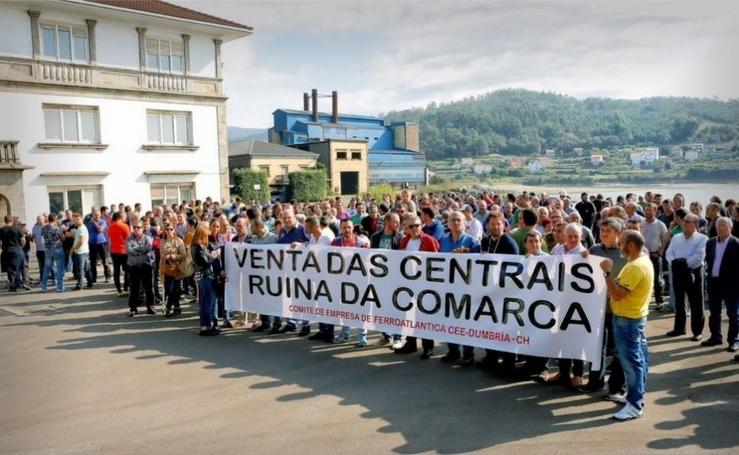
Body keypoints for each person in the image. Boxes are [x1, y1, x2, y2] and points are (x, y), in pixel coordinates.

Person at [599, 230, 653, 420]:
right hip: (634, 318)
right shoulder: (641, 261)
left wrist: (607, 272)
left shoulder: (635, 266)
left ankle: (634, 405)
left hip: (627, 321)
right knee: (639, 360)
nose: (618, 246)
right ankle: (634, 397)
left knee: (632, 364)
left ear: (631, 245)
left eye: (621, 243)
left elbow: (617, 294)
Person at [580, 218, 626, 397]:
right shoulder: (594, 250)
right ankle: (594, 381)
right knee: (595, 346)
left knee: (617, 351)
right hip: (597, 308)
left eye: (608, 230)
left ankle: (616, 388)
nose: (603, 233)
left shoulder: (625, 253)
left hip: (617, 309)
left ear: (618, 233)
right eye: (602, 230)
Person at [478, 212, 519, 374]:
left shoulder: (509, 243)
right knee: (490, 326)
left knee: (506, 328)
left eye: (498, 224)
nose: (495, 227)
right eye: (492, 224)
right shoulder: (485, 241)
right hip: (488, 292)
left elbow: (513, 269)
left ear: (504, 225)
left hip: (505, 292)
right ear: (487, 225)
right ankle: (491, 357)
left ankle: (509, 362)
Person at [439, 210, 480, 366]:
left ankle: (468, 353)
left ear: (464, 223)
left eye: (459, 220)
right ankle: (453, 350)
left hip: (465, 287)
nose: (456, 223)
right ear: (448, 223)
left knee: (465, 321)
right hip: (447, 286)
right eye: (453, 220)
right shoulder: (443, 240)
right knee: (448, 319)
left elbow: (478, 266)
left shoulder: (472, 242)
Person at [396, 215, 439, 357]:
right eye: (411, 226)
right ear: (406, 228)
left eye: (418, 225)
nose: (415, 228)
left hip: (425, 284)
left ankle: (428, 346)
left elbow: (437, 262)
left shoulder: (428, 241)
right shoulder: (404, 241)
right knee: (408, 314)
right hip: (408, 284)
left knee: (424, 316)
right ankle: (411, 343)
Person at [665, 213, 707, 340]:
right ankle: (679, 328)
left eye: (688, 221)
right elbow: (669, 253)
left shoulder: (702, 238)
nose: (684, 223)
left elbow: (699, 257)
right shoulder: (677, 237)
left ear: (695, 224)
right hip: (678, 271)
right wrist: (675, 263)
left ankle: (697, 332)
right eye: (684, 221)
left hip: (693, 272)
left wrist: (682, 263)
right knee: (679, 302)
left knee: (696, 303)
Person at [702, 217, 739, 353]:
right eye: (718, 226)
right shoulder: (711, 242)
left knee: (733, 314)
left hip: (731, 286)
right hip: (714, 283)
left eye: (724, 225)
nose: (721, 228)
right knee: (714, 312)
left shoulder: (736, 244)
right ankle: (716, 337)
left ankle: (733, 341)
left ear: (731, 228)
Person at [331, 219, 370, 344]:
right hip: (342, 281)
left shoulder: (361, 243)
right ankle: (345, 333)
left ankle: (362, 336)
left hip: (359, 281)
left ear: (353, 228)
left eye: (349, 227)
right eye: (344, 227)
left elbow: (368, 261)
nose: (346, 230)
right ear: (340, 229)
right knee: (345, 309)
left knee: (361, 309)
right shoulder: (336, 242)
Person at [249, 218, 279, 333]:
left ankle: (275, 323)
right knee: (262, 299)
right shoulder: (254, 239)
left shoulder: (273, 238)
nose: (251, 229)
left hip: (271, 274)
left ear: (259, 227)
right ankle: (265, 322)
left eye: (253, 227)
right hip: (259, 274)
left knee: (273, 299)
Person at [191, 224, 218, 336]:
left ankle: (204, 326)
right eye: (206, 236)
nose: (207, 238)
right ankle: (208, 326)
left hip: (200, 276)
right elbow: (205, 263)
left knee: (203, 303)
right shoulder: (199, 247)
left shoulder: (194, 246)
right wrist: (214, 256)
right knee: (209, 303)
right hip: (206, 276)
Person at [126, 220, 155, 317]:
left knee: (148, 287)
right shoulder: (129, 239)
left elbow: (149, 248)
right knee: (134, 288)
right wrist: (141, 250)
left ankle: (150, 306)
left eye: (138, 227)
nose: (136, 229)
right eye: (134, 227)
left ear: (143, 228)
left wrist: (137, 249)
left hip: (146, 265)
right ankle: (133, 307)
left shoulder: (147, 238)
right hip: (133, 266)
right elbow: (129, 251)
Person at [642, 203, 667, 308]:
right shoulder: (640, 224)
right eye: (646, 210)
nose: (647, 212)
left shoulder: (660, 225)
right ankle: (644, 301)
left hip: (655, 255)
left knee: (657, 279)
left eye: (650, 210)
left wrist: (660, 252)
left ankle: (659, 300)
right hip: (643, 256)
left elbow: (664, 240)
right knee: (643, 279)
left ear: (655, 211)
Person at [159, 223, 187, 317]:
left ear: (174, 230)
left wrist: (171, 256)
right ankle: (177, 307)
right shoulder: (163, 241)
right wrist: (163, 257)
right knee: (169, 290)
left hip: (177, 267)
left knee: (174, 289)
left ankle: (169, 307)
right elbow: (161, 254)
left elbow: (183, 255)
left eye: (171, 229)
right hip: (166, 268)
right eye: (167, 229)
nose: (169, 231)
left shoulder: (179, 241)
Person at [40, 214, 66, 292]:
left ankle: (43, 287)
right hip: (57, 249)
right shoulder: (57, 228)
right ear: (55, 219)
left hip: (48, 250)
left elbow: (43, 236)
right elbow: (63, 238)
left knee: (46, 269)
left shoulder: (44, 228)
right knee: (59, 269)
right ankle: (59, 287)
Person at [0, 215, 26, 291]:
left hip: (6, 250)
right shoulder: (17, 229)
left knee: (9, 268)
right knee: (18, 268)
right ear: (11, 220)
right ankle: (18, 284)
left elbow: (0, 242)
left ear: (5, 220)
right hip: (17, 249)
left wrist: (2, 248)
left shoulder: (1, 230)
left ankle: (12, 285)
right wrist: (21, 247)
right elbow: (23, 240)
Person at [108, 212, 130, 297]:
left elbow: (110, 239)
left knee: (116, 272)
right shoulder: (125, 226)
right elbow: (128, 239)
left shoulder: (110, 227)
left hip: (114, 251)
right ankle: (125, 288)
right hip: (124, 251)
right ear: (120, 217)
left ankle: (118, 290)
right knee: (126, 270)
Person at [87, 209, 110, 284]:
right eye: (95, 215)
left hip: (101, 243)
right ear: (92, 215)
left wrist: (94, 222)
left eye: (98, 215)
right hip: (92, 244)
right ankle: (94, 277)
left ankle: (107, 276)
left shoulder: (102, 222)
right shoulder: (89, 223)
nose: (96, 216)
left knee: (105, 260)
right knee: (92, 262)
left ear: (100, 215)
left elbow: (100, 229)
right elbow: (87, 232)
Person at [71, 213, 92, 290]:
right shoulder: (80, 228)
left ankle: (80, 285)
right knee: (86, 268)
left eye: (78, 220)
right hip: (84, 251)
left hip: (81, 252)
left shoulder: (81, 228)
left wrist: (74, 249)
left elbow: (81, 241)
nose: (76, 221)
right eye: (74, 220)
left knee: (80, 269)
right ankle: (89, 282)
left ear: (82, 219)